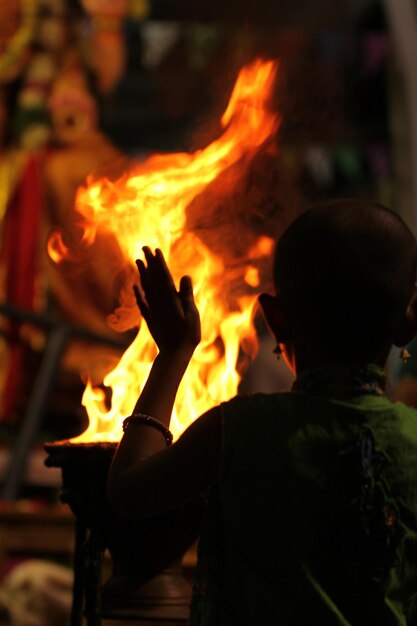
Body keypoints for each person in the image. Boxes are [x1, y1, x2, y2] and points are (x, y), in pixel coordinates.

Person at [107, 198, 417, 625]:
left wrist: (173, 353)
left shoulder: (238, 428)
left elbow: (128, 491)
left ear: (274, 319)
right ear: (408, 323)